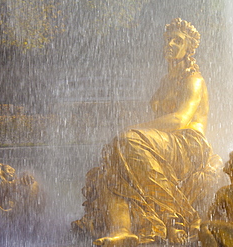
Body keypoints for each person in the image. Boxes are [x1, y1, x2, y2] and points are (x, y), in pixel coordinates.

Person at [71, 18, 224, 246]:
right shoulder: (165, 81)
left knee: (125, 140)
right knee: (113, 161)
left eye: (178, 40)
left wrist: (134, 130)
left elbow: (180, 119)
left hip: (188, 144)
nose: (170, 44)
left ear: (189, 48)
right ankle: (122, 230)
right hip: (165, 142)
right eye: (168, 39)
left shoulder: (194, 80)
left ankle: (175, 214)